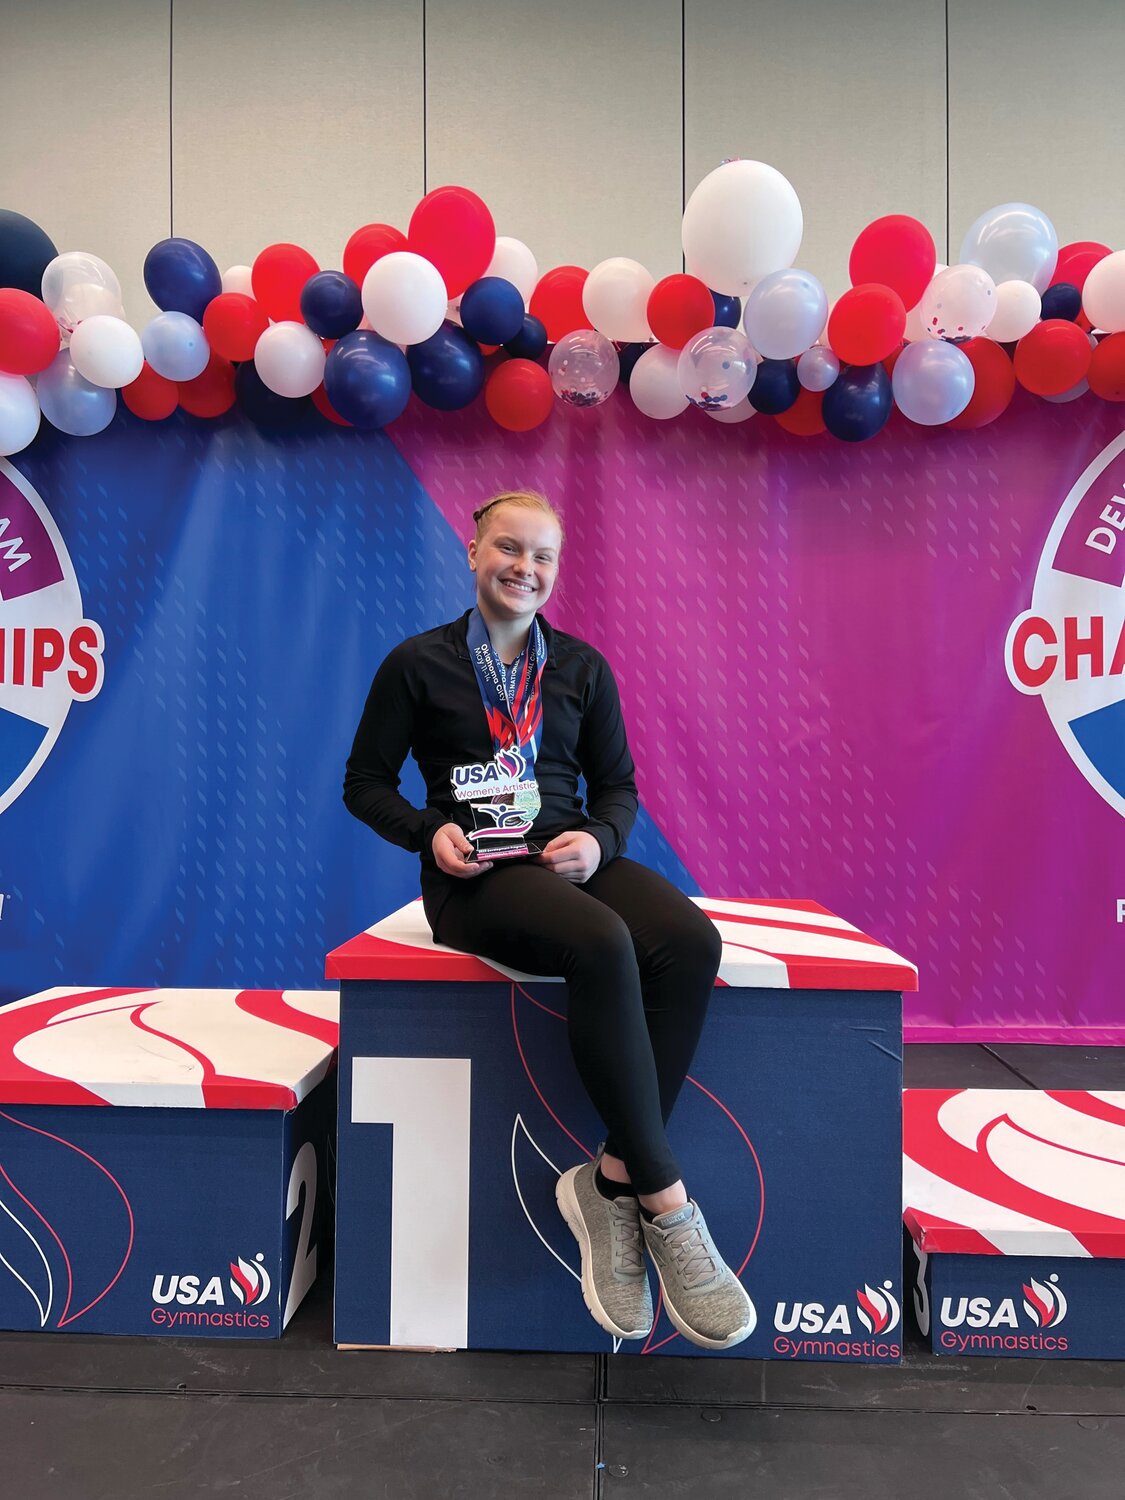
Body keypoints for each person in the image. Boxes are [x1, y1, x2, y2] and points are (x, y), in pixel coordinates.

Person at [343, 489, 754, 1350]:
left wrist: (599, 843)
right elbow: (365, 784)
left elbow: (618, 788)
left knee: (687, 939)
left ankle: (605, 1181)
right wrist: (429, 831)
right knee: (599, 941)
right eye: (509, 548)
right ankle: (666, 1207)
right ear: (472, 551)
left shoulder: (581, 666)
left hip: (567, 864)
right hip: (477, 878)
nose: (525, 568)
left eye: (543, 557)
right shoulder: (417, 664)